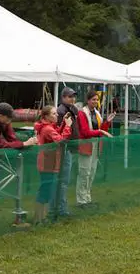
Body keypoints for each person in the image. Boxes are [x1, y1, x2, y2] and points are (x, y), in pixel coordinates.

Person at [0, 102, 37, 228]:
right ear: (0, 115)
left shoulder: (4, 123)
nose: (10, 120)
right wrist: (23, 144)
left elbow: (11, 139)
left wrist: (25, 144)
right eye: (8, 117)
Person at [33, 106, 73, 225]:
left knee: (46, 190)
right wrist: (68, 126)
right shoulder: (47, 129)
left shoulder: (48, 127)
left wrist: (63, 124)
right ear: (46, 116)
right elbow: (61, 140)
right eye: (54, 114)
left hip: (49, 162)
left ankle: (42, 218)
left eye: (57, 113)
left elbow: (56, 134)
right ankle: (39, 218)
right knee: (45, 191)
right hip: (47, 163)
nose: (57, 116)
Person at [76, 90, 114, 209]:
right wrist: (101, 131)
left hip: (96, 146)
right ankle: (81, 200)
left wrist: (107, 122)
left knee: (91, 173)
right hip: (86, 146)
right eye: (93, 99)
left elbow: (100, 129)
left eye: (97, 100)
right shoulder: (82, 113)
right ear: (88, 100)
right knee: (84, 173)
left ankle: (87, 198)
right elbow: (85, 132)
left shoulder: (96, 113)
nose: (95, 101)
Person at [54, 88, 81, 220]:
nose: (73, 99)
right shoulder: (61, 111)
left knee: (65, 180)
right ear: (63, 97)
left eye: (74, 97)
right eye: (70, 97)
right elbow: (61, 132)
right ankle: (61, 209)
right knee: (63, 181)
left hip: (70, 148)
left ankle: (60, 207)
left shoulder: (72, 110)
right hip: (64, 149)